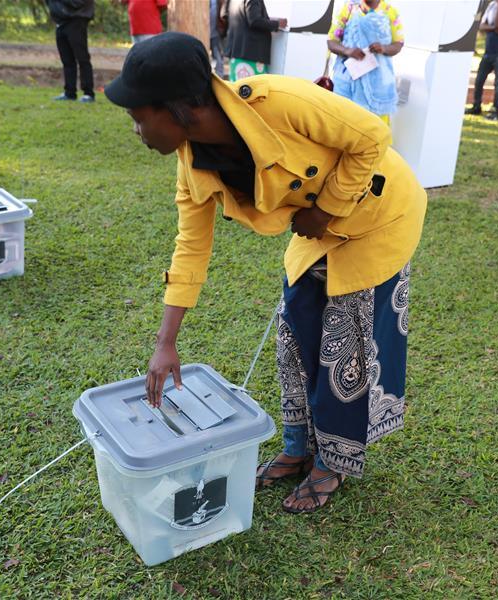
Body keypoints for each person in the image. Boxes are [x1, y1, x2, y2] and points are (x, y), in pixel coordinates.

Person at [104, 33, 426, 514]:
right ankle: (296, 449)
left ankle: (330, 465)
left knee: (344, 346)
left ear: (177, 108)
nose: (136, 130)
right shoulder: (193, 165)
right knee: (295, 335)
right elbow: (191, 247)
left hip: (379, 215)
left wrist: (328, 209)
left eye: (138, 117)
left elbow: (371, 139)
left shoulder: (278, 101)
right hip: (315, 231)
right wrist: (165, 342)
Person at [327, 0, 405, 125]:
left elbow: (398, 44)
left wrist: (384, 48)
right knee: (341, 127)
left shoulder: (390, 11)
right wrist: (347, 50)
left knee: (375, 132)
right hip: (347, 84)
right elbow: (331, 41)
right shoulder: (348, 8)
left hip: (379, 88)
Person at [466, 0, 498, 121]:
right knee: (479, 80)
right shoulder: (492, 5)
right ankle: (476, 106)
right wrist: (494, 28)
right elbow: (482, 26)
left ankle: (495, 111)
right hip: (489, 50)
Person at [223, 0, 287, 81]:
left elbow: (224, 14)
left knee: (236, 89)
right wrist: (277, 24)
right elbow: (254, 21)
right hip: (251, 55)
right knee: (252, 90)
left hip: (237, 52)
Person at [47, 0, 96, 103]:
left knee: (82, 58)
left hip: (76, 19)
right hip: (60, 21)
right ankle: (69, 92)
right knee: (67, 59)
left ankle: (88, 93)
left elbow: (78, 3)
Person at [210, 0, 226, 79]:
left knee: (218, 59)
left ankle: (219, 79)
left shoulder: (217, 2)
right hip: (203, 33)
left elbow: (223, 15)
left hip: (216, 34)